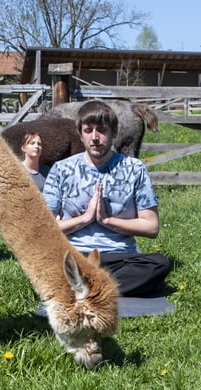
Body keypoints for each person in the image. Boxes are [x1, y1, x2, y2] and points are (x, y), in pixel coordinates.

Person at [42, 100, 171, 298]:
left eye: (102, 130)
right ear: (80, 134)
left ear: (114, 132)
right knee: (43, 264)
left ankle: (84, 286)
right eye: (88, 130)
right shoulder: (61, 169)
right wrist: (85, 218)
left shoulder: (134, 169)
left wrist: (107, 220)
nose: (95, 137)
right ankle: (103, 286)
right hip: (75, 255)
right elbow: (45, 228)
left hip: (119, 257)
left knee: (159, 264)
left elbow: (151, 227)